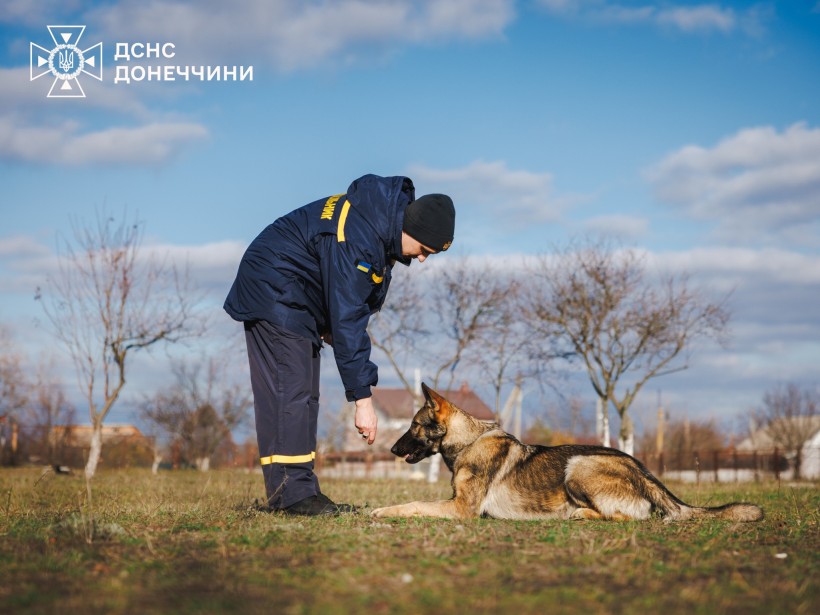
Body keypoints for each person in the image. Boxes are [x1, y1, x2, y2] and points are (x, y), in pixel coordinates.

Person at [224, 174, 455, 516]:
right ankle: (293, 497)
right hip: (275, 290)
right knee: (290, 392)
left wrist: (330, 327)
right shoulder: (360, 238)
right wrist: (363, 400)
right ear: (413, 230)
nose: (422, 259)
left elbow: (349, 304)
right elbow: (349, 318)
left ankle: (296, 492)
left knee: (303, 395)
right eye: (424, 249)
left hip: (296, 296)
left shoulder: (378, 228)